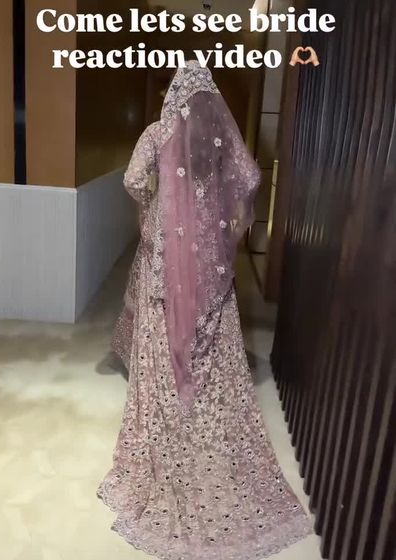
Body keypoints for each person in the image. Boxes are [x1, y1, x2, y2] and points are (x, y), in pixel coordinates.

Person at [96, 60, 313, 560]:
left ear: (175, 94)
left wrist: (154, 200)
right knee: (209, 320)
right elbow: (250, 176)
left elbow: (132, 179)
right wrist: (223, 213)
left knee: (162, 319)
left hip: (165, 247)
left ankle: (169, 401)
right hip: (209, 249)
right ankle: (205, 397)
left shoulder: (157, 132)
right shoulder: (216, 136)